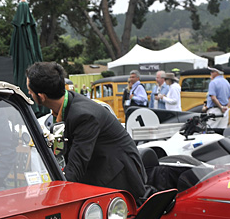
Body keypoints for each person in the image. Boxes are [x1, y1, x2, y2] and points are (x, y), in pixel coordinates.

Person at [26, 61, 152, 204]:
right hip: (102, 170)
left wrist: (49, 198)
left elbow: (76, 167)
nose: (29, 94)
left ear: (41, 96)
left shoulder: (83, 116)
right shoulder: (69, 101)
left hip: (119, 178)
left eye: (30, 91)